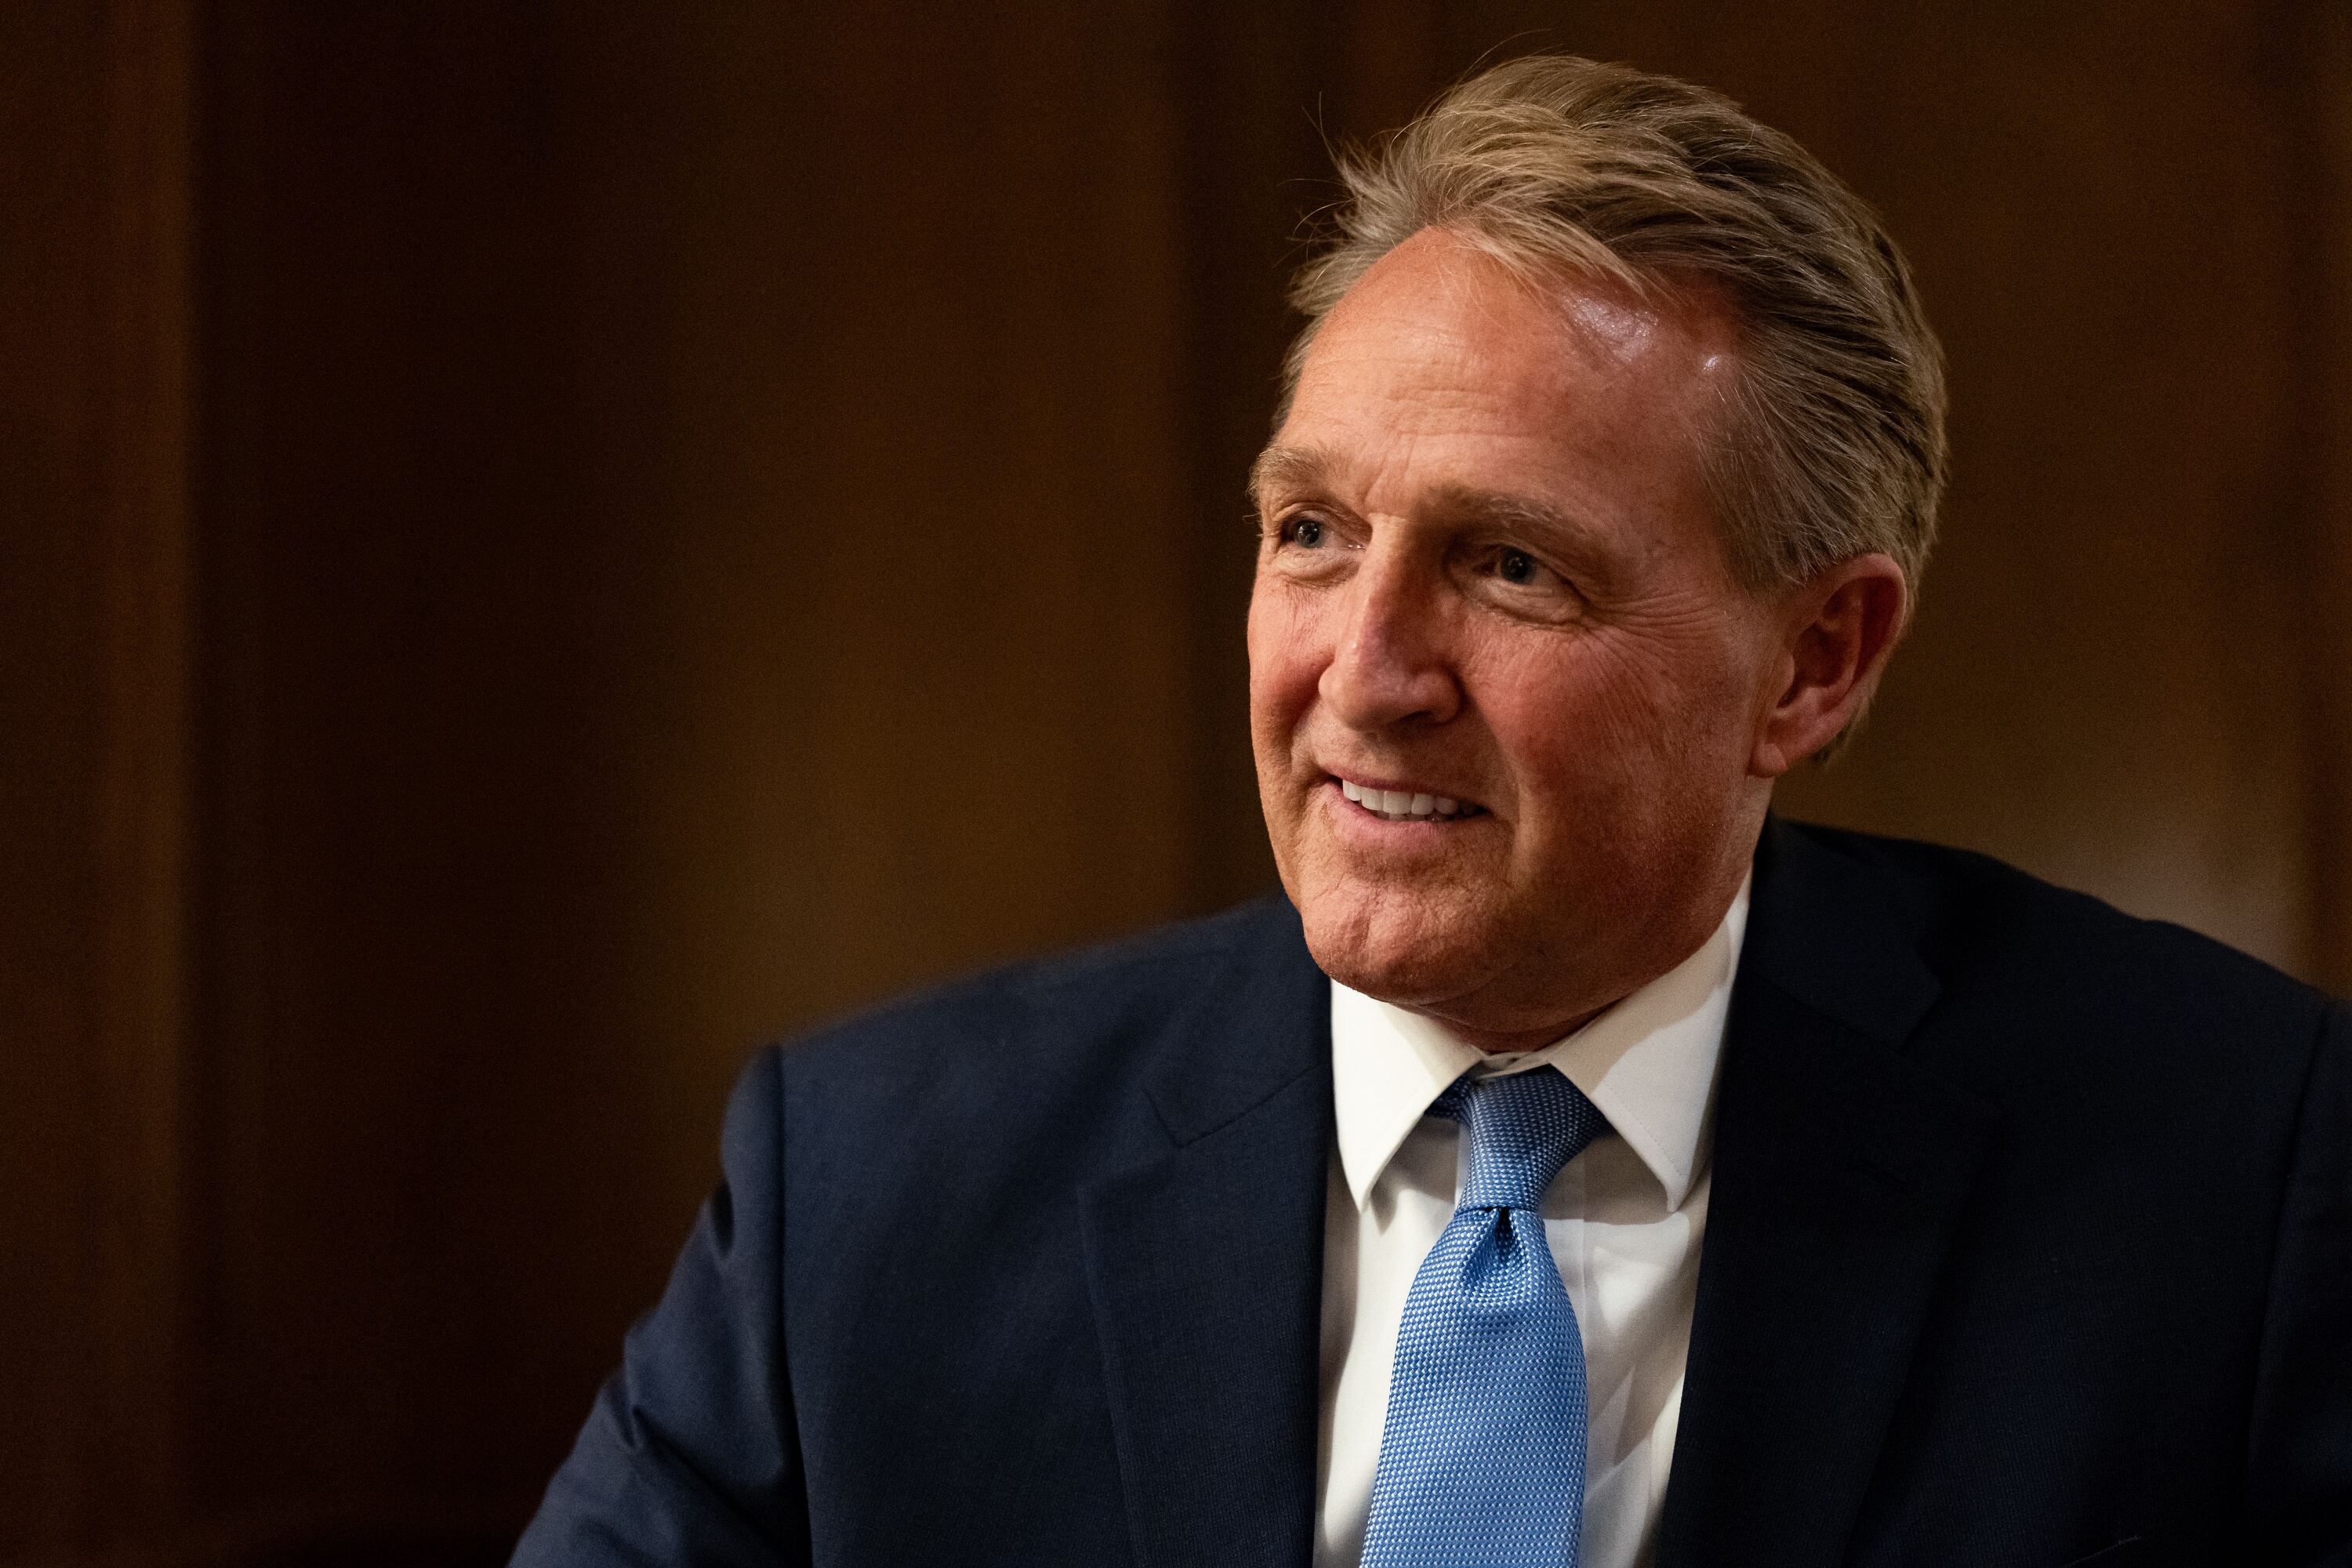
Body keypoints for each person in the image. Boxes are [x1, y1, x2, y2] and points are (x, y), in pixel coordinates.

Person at [511, 54, 2349, 1568]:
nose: (1364, 669)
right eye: (1312, 532)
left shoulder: (2234, 1175)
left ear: (1815, 664)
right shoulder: (874, 1188)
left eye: (1511, 564)